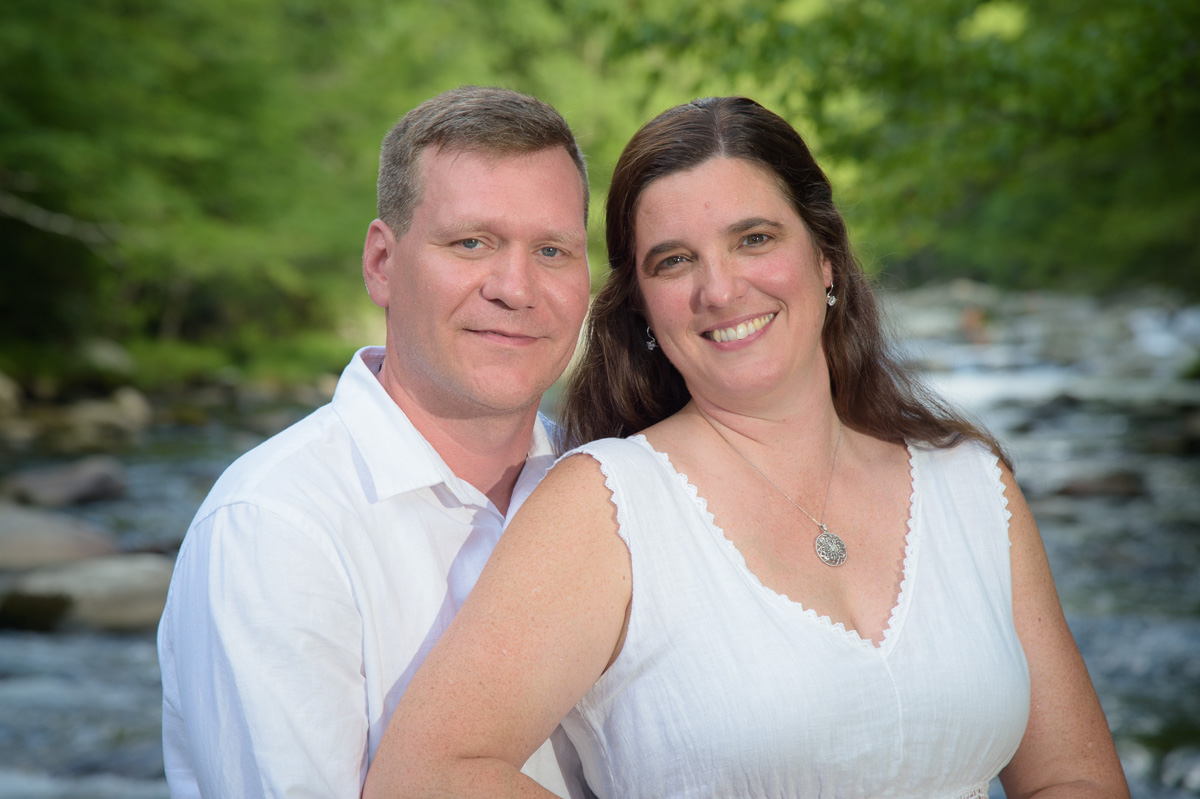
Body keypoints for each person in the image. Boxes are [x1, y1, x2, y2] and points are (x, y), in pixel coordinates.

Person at [362, 97, 1130, 799]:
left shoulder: (973, 486)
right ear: (645, 310)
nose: (720, 289)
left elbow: (1073, 776)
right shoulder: (607, 505)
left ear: (824, 258)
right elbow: (424, 775)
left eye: (753, 239)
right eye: (674, 260)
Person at [156, 86, 593, 798]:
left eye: (552, 249)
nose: (516, 287)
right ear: (382, 263)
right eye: (472, 242)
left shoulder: (608, 488)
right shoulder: (274, 527)